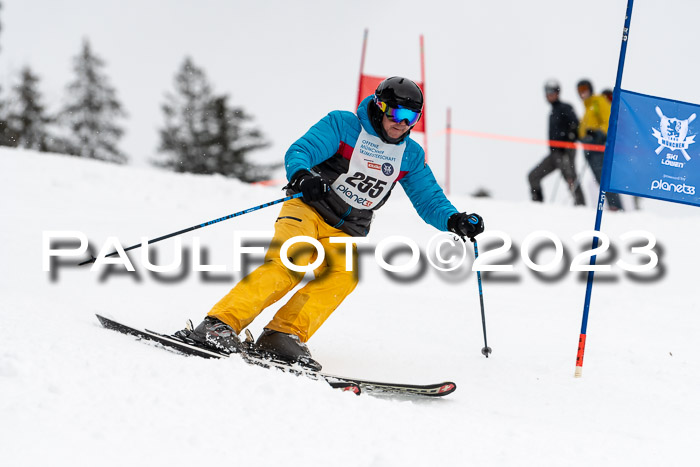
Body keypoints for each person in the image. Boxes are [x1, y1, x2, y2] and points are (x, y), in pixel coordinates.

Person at [177, 77, 485, 371]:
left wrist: (453, 220)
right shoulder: (344, 126)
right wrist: (303, 175)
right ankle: (219, 325)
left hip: (349, 227)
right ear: (380, 106)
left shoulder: (410, 155)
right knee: (290, 262)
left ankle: (281, 337)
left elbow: (428, 199)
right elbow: (302, 150)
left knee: (343, 276)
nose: (402, 123)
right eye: (397, 113)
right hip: (309, 209)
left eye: (412, 117)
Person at [528, 79, 585, 205]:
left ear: (558, 92)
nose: (549, 95)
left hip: (566, 150)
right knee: (533, 176)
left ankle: (581, 204)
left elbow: (576, 125)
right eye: (547, 92)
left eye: (552, 91)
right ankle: (537, 204)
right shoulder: (553, 112)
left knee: (570, 177)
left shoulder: (565, 107)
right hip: (554, 153)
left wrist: (570, 136)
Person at [576, 79, 623, 210]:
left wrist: (599, 134)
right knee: (599, 178)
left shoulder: (598, 101)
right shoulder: (587, 108)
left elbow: (608, 118)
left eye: (584, 89)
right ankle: (612, 206)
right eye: (579, 90)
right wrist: (581, 136)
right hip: (590, 150)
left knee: (604, 177)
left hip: (599, 148)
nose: (582, 93)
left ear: (590, 89)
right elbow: (584, 130)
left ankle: (615, 206)